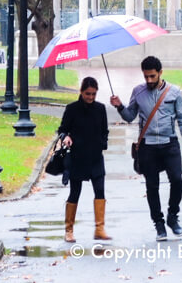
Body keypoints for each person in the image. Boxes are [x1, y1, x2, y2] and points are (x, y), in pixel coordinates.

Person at [111, 56, 182, 241]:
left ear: (160, 73)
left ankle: (173, 217)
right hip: (148, 146)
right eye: (146, 76)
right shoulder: (138, 92)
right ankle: (159, 224)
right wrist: (120, 106)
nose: (148, 80)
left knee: (177, 180)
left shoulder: (174, 92)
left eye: (152, 76)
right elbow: (130, 116)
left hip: (169, 143)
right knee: (152, 186)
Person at [57, 76, 111, 242]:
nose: (90, 97)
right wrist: (65, 137)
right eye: (88, 94)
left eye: (94, 94)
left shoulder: (100, 108)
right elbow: (62, 129)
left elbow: (104, 130)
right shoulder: (72, 109)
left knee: (100, 191)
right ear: (81, 92)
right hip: (77, 157)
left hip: (95, 157)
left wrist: (103, 143)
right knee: (75, 192)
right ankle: (69, 229)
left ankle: (99, 228)